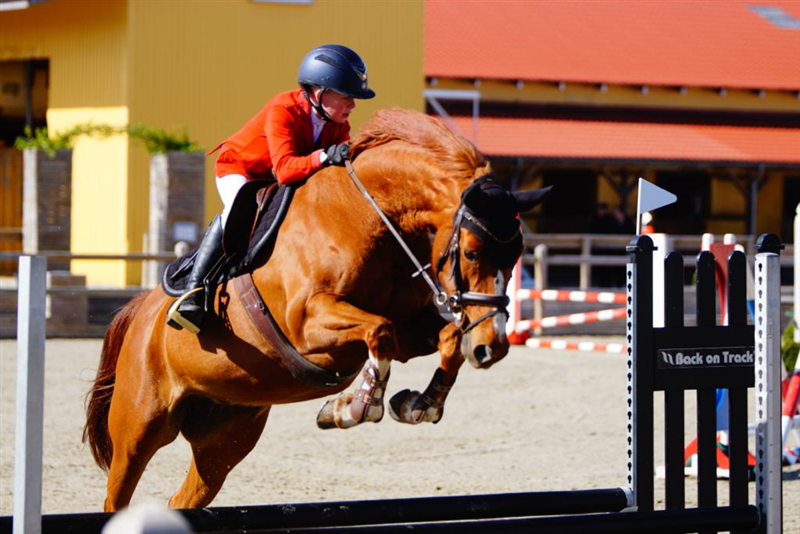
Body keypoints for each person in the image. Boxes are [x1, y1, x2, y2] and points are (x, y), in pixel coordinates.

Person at [167, 44, 376, 334]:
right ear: (318, 93)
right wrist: (326, 156)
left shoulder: (337, 125)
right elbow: (287, 169)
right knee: (237, 214)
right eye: (346, 97)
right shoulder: (284, 108)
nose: (352, 105)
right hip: (241, 171)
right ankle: (192, 293)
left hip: (276, 181)